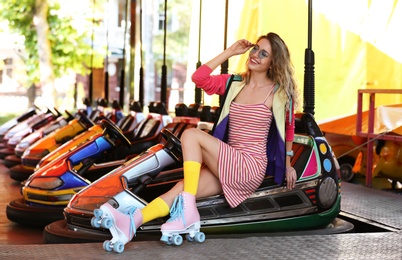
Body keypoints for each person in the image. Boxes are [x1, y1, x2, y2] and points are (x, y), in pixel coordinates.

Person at [94, 32, 299, 249]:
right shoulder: (235, 83)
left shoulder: (279, 93)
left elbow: (288, 129)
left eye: (263, 53)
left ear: (272, 63)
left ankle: (187, 213)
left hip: (249, 166)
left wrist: (287, 165)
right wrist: (230, 51)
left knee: (191, 135)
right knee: (181, 189)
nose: (255, 55)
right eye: (255, 49)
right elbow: (199, 78)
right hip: (228, 160)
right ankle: (131, 224)